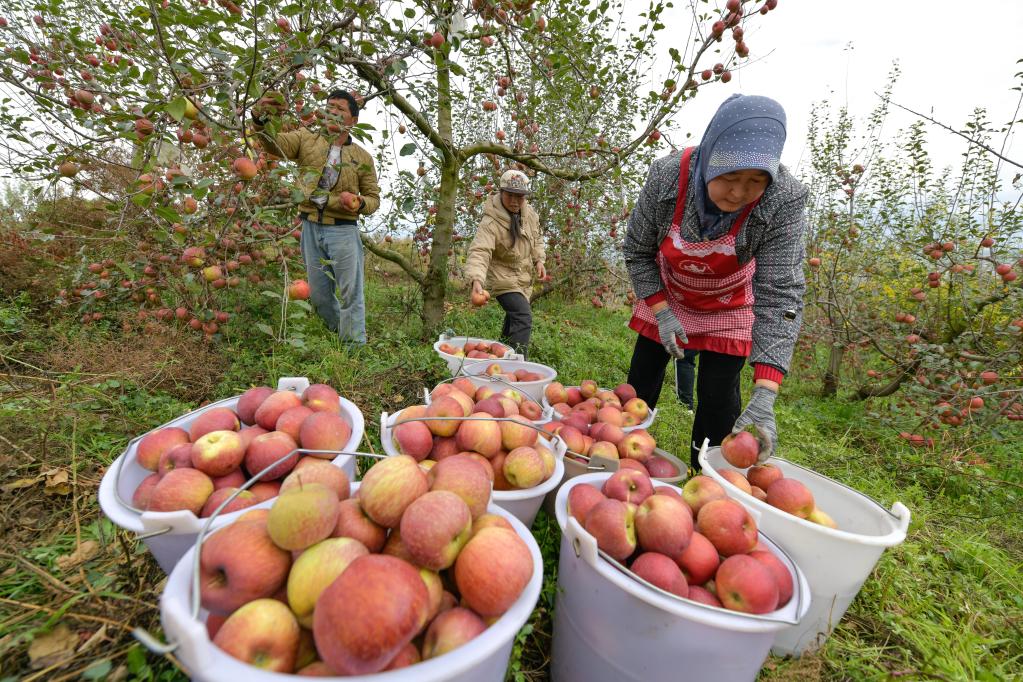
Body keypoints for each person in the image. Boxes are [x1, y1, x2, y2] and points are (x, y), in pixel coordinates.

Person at [623, 94, 808, 471]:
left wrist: (765, 392)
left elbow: (780, 294)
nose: (739, 193)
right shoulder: (667, 177)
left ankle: (704, 475)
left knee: (718, 398)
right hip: (668, 291)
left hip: (729, 302)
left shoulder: (784, 199)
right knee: (641, 381)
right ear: (711, 157)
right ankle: (623, 451)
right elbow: (637, 251)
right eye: (729, 178)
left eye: (756, 181)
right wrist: (660, 311)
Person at [251, 89, 380, 345]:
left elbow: (373, 198)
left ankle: (355, 346)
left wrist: (360, 203)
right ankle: (336, 336)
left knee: (350, 292)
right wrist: (259, 117)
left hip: (343, 229)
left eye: (340, 108)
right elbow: (273, 143)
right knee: (320, 295)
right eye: (329, 106)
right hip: (310, 226)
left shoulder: (362, 157)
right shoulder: (306, 137)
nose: (332, 111)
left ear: (353, 119)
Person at [464, 169, 546, 358]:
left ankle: (501, 356)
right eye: (510, 195)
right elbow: (480, 251)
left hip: (523, 278)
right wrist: (476, 280)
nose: (515, 201)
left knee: (513, 321)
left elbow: (537, 237)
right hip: (501, 278)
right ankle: (516, 365)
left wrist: (539, 260)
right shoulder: (491, 221)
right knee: (522, 316)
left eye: (520, 196)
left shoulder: (529, 214)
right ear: (501, 192)